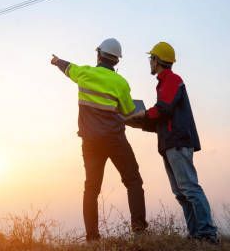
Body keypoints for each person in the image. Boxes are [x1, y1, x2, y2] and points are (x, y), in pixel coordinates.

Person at [50, 38, 147, 241]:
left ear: (98, 55)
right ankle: (139, 230)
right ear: (116, 61)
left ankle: (92, 238)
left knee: (92, 188)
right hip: (115, 139)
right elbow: (129, 112)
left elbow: (68, 68)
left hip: (90, 143)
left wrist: (57, 61)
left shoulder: (84, 73)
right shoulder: (121, 83)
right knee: (133, 181)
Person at [128, 41, 218, 243]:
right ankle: (196, 234)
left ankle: (208, 234)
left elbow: (163, 109)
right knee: (180, 193)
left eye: (151, 58)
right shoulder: (163, 82)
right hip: (170, 144)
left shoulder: (172, 79)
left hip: (178, 143)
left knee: (190, 189)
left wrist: (143, 113)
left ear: (157, 60)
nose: (149, 62)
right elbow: (163, 119)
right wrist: (139, 123)